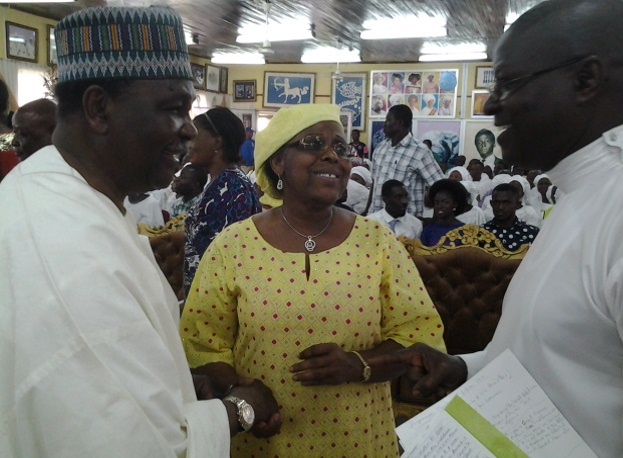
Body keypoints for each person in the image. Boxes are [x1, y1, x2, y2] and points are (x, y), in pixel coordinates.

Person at [0, 7, 283, 456]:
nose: (189, 129)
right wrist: (240, 409)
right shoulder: (69, 248)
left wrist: (173, 382)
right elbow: (131, 444)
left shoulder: (62, 192)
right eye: (174, 109)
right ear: (98, 109)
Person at [371, 1, 623, 456]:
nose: (491, 104)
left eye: (507, 84)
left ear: (586, 80)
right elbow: (560, 363)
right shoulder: (583, 188)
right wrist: (464, 368)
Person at [179, 103, 446, 457]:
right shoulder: (233, 245)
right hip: (263, 441)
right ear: (278, 163)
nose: (332, 156)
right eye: (313, 143)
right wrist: (244, 395)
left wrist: (359, 364)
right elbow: (202, 342)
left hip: (357, 438)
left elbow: (419, 338)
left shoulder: (377, 242)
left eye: (341, 147)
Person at [183, 107, 261, 297]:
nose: (189, 145)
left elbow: (227, 259)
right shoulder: (220, 182)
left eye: (195, 137)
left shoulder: (232, 188)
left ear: (217, 142)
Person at [371, 104, 444, 218]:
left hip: (406, 223)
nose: (385, 124)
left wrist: (433, 217)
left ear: (400, 123)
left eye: (388, 120)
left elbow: (439, 186)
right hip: (376, 219)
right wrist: (367, 211)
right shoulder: (380, 147)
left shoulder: (420, 150)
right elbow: (374, 183)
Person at [482, 183, 539, 250]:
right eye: (497, 202)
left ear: (518, 205)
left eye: (506, 203)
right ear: (491, 204)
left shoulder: (532, 234)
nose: (501, 207)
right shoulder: (480, 233)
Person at [420, 178, 467, 246]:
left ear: (455, 204)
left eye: (445, 202)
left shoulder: (463, 230)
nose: (440, 206)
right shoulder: (428, 230)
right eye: (437, 202)